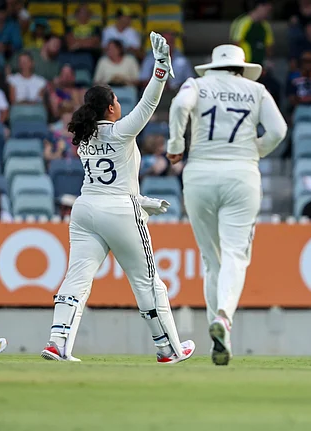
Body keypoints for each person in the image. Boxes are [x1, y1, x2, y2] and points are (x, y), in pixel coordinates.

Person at [40, 32, 196, 365]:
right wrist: (160, 68)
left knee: (77, 277)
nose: (121, 105)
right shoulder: (120, 130)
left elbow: (107, 177)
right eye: (117, 101)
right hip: (119, 211)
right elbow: (150, 104)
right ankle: (168, 348)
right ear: (111, 107)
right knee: (148, 281)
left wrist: (138, 198)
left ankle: (58, 342)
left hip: (85, 210)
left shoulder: (83, 139)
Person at [167, 44, 287, 366]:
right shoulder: (256, 90)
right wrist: (255, 151)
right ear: (240, 67)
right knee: (235, 253)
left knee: (212, 261)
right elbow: (279, 130)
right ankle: (224, 317)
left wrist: (176, 145)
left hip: (200, 173)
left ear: (213, 67)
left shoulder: (197, 85)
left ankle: (221, 334)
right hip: (241, 174)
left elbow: (179, 106)